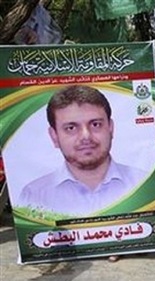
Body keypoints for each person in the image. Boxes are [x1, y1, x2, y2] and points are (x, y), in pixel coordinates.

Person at [18, 85, 147, 216]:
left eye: (95, 124)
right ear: (54, 136)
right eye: (71, 128)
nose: (86, 136)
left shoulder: (144, 183)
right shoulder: (34, 195)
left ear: (111, 128)